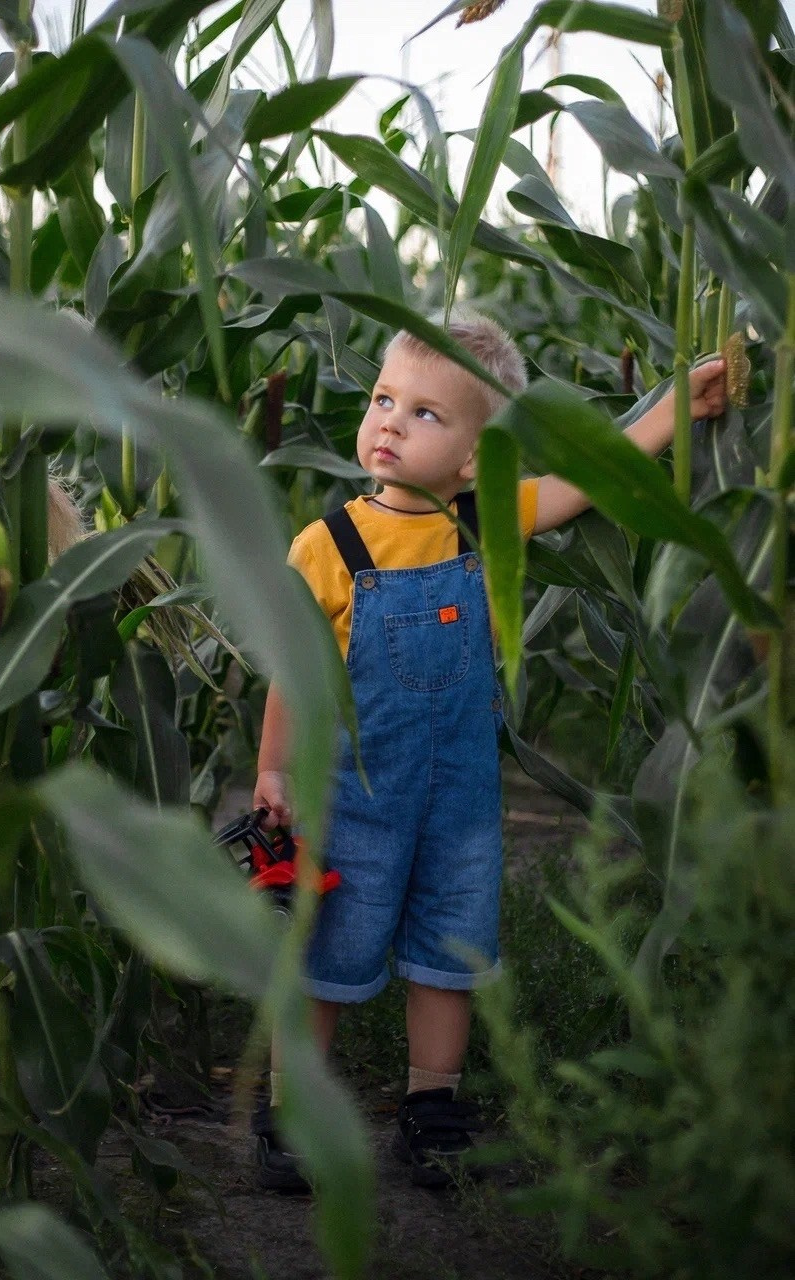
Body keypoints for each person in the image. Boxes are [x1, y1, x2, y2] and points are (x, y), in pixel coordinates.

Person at [252, 311, 727, 1190]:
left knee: (449, 952)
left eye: (425, 413)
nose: (390, 421)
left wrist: (673, 410)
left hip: (462, 799)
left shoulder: (487, 519)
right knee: (329, 954)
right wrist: (273, 769)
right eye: (384, 399)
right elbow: (293, 669)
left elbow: (586, 478)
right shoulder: (326, 547)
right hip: (354, 795)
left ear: (476, 456)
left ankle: (432, 1107)